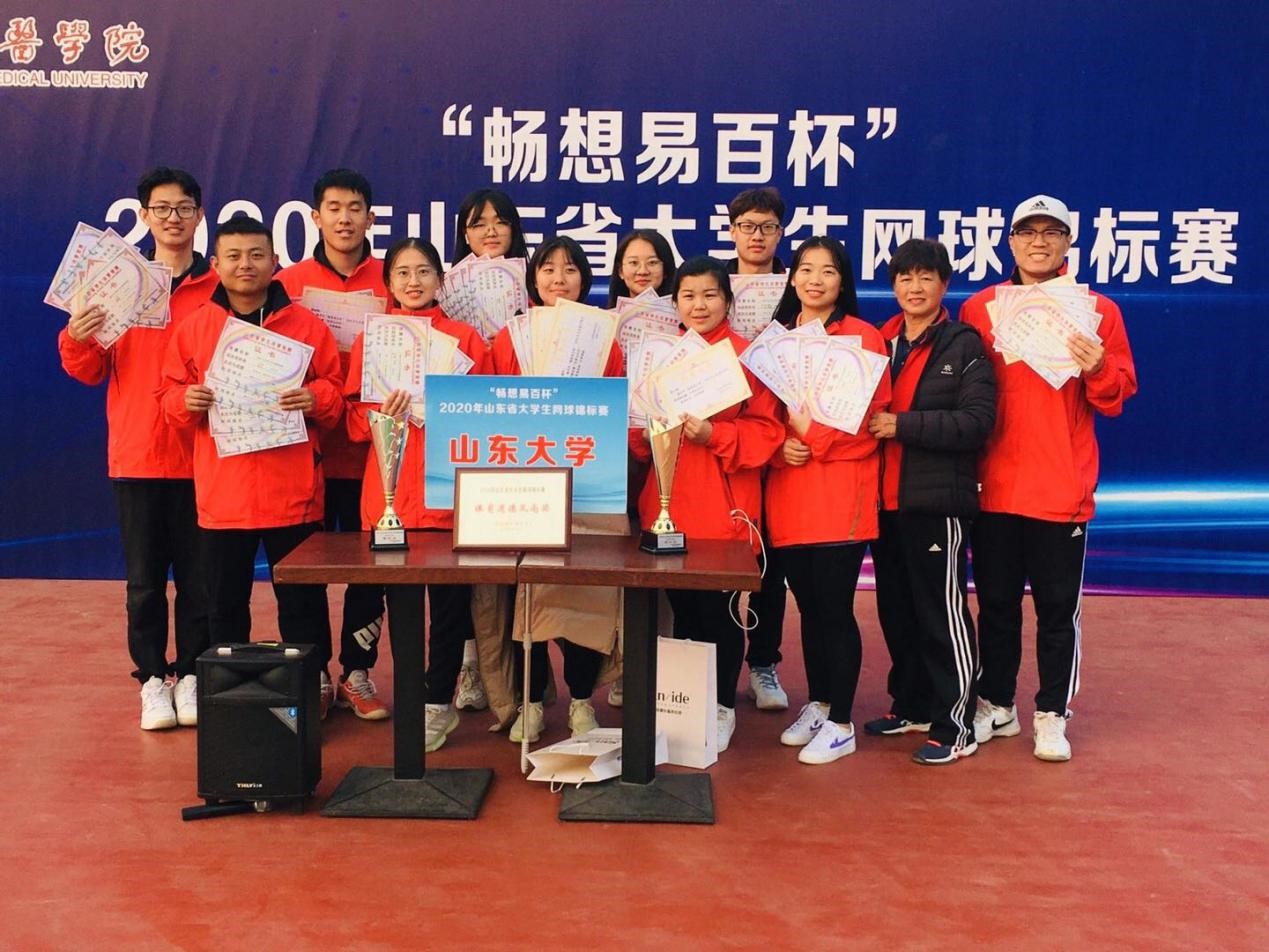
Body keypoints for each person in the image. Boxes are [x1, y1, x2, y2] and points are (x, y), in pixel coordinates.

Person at [960, 195, 1137, 762]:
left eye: (1051, 232)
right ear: (1010, 241)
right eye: (1028, 232)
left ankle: (1052, 712)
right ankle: (997, 703)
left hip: (1061, 488)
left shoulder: (1098, 311)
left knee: (1058, 611)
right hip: (994, 486)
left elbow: (1116, 397)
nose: (1039, 242)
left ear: (1068, 243)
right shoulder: (981, 309)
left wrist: (1097, 366)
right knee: (996, 605)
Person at [57, 167, 217, 730]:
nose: (174, 218)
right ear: (143, 215)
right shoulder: (117, 283)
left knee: (199, 582)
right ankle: (152, 679)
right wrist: (76, 336)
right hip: (139, 455)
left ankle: (192, 674)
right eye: (162, 208)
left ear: (200, 214)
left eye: (184, 208)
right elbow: (88, 370)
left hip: (204, 457)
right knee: (145, 584)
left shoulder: (219, 287)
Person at [159, 216, 343, 692]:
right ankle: (227, 691)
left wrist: (316, 398)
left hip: (293, 491)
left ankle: (314, 682)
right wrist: (185, 401)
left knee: (302, 602)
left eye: (257, 255)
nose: (247, 265)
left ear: (275, 261)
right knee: (223, 603)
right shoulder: (196, 328)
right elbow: (168, 396)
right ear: (216, 264)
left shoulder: (306, 325)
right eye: (235, 256)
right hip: (226, 494)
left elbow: (336, 391)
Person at [630, 256, 783, 753]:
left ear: (728, 301)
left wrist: (714, 433)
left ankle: (719, 708)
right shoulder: (658, 358)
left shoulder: (747, 358)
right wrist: (645, 431)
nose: (699, 305)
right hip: (667, 506)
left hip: (724, 510)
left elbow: (767, 434)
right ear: (675, 303)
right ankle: (684, 706)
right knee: (683, 614)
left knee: (721, 616)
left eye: (710, 295)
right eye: (689, 296)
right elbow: (635, 435)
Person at [344, 238, 491, 752]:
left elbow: (486, 417)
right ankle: (409, 696)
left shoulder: (465, 339)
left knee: (450, 610)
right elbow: (353, 424)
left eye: (424, 271)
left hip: (449, 493)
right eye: (403, 272)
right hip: (389, 494)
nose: (413, 281)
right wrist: (381, 413)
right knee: (399, 605)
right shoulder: (373, 340)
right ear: (388, 282)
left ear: (440, 280)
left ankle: (436, 704)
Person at [863, 238, 996, 765]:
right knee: (897, 612)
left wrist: (902, 425)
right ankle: (913, 705)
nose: (914, 287)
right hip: (884, 501)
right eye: (905, 277)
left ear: (944, 284)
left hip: (937, 502)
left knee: (943, 614)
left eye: (925, 277)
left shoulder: (964, 345)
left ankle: (957, 724)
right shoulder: (877, 342)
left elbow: (977, 423)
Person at [762, 238, 890, 765]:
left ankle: (841, 723)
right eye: (806, 269)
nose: (815, 280)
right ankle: (819, 703)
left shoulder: (863, 338)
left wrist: (811, 439)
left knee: (835, 609)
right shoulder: (774, 340)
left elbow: (869, 421)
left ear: (843, 281)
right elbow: (758, 413)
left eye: (828, 271)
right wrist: (777, 445)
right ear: (792, 278)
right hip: (788, 493)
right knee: (809, 607)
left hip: (841, 495)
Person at [492, 236, 624, 742]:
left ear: (584, 279)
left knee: (585, 594)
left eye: (570, 269)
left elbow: (615, 406)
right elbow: (492, 405)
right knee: (525, 596)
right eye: (548, 269)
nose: (559, 278)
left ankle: (582, 702)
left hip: (587, 482)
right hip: (522, 482)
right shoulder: (510, 338)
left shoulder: (605, 340)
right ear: (534, 278)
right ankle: (529, 701)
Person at [276, 168, 391, 720]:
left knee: (374, 572)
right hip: (305, 453)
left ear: (371, 217)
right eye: (334, 208)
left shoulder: (394, 277)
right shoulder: (288, 282)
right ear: (315, 217)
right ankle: (314, 672)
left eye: (355, 208)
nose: (345, 219)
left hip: (375, 456)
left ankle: (357, 672)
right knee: (304, 572)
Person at [451, 188, 533, 717]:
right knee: (469, 563)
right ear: (464, 233)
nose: (490, 231)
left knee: (524, 564)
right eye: (479, 223)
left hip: (524, 443)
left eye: (500, 222)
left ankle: (528, 682)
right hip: (467, 441)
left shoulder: (536, 288)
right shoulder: (445, 294)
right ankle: (471, 663)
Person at [606, 229, 675, 306]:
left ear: (665, 269)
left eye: (652, 262)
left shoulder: (681, 313)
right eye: (634, 262)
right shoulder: (606, 314)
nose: (643, 271)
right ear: (620, 271)